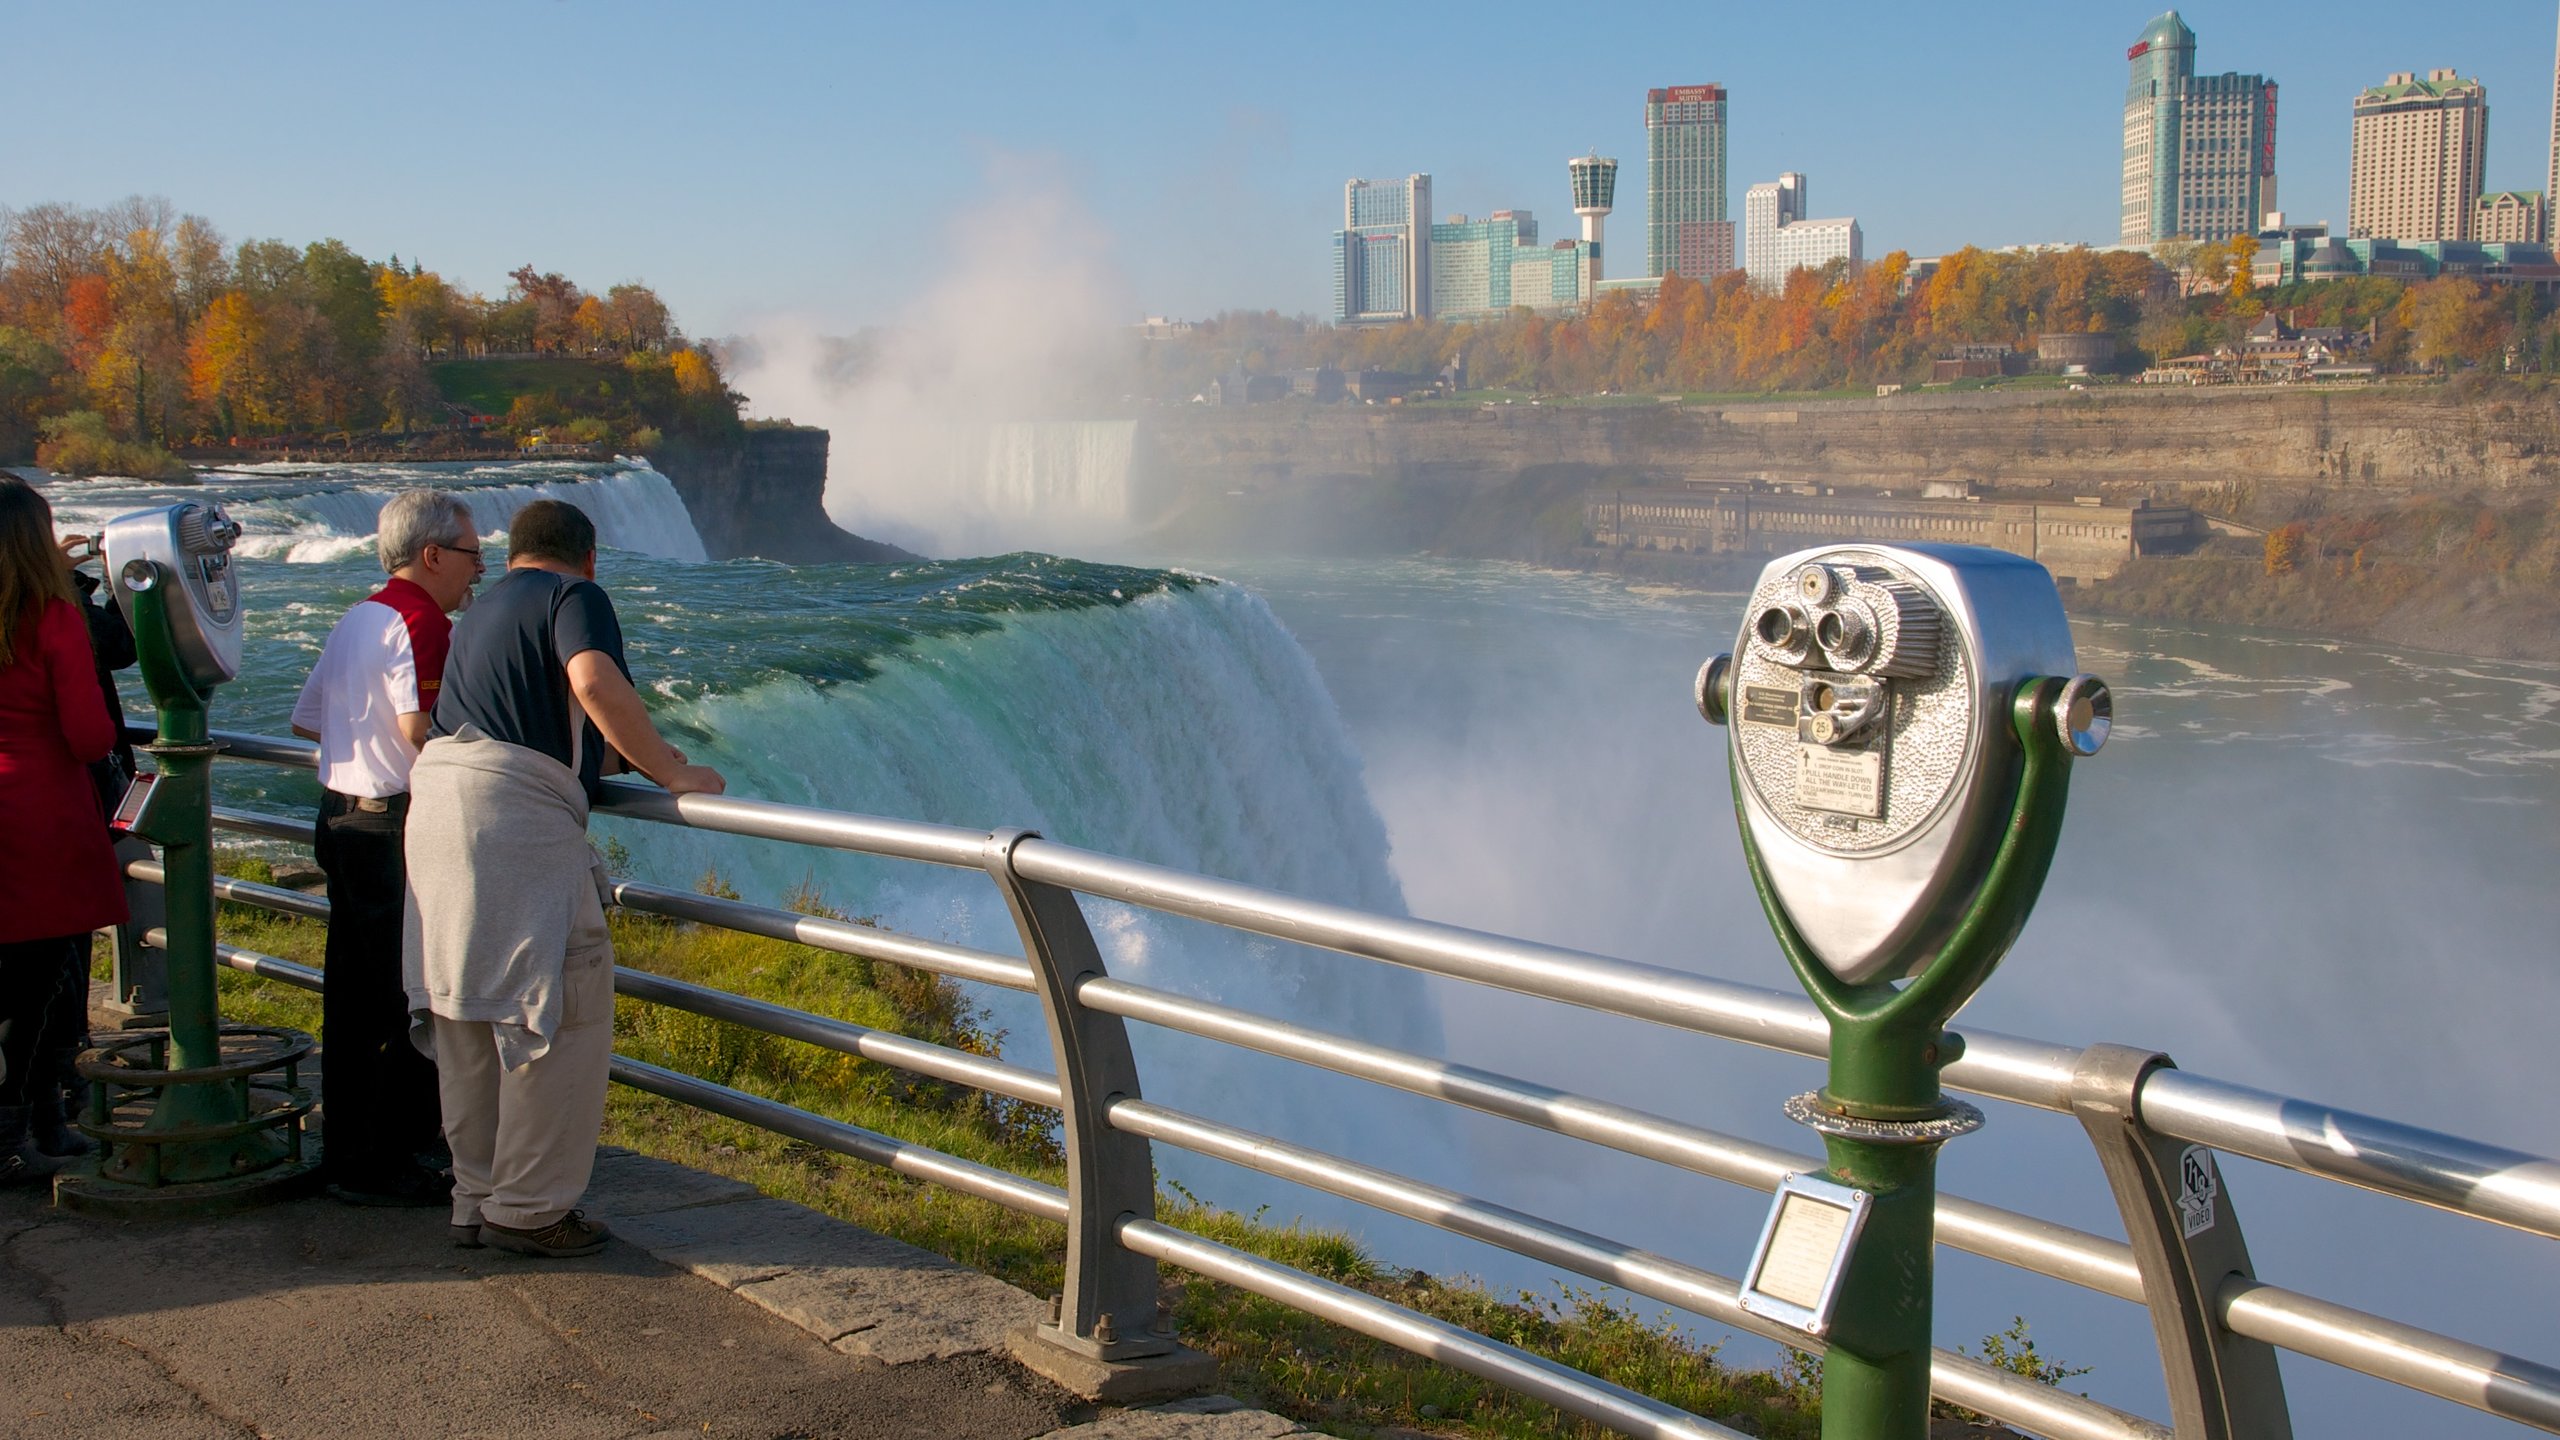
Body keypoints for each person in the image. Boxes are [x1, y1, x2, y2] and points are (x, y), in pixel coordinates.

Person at [405, 499, 723, 1257]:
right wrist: (673, 770)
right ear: (588, 558)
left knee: (467, 1011)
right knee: (559, 1011)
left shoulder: (477, 615)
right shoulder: (573, 597)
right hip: (514, 820)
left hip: (438, 806)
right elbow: (591, 682)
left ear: (511, 555)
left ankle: (474, 1198)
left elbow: (549, 720)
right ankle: (531, 1211)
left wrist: (615, 755)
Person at [289, 489, 483, 1205]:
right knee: (402, 1000)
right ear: (432, 555)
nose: (479, 568)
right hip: (390, 828)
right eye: (469, 554)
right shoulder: (422, 621)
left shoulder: (359, 615)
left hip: (339, 816)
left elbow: (309, 719)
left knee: (350, 996)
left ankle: (347, 1149)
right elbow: (419, 730)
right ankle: (384, 1160)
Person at [0, 476, 126, 1185]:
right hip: (43, 813)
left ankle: (37, 1121)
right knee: (42, 981)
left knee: (16, 981)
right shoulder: (51, 616)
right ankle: (24, 1126)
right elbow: (85, 734)